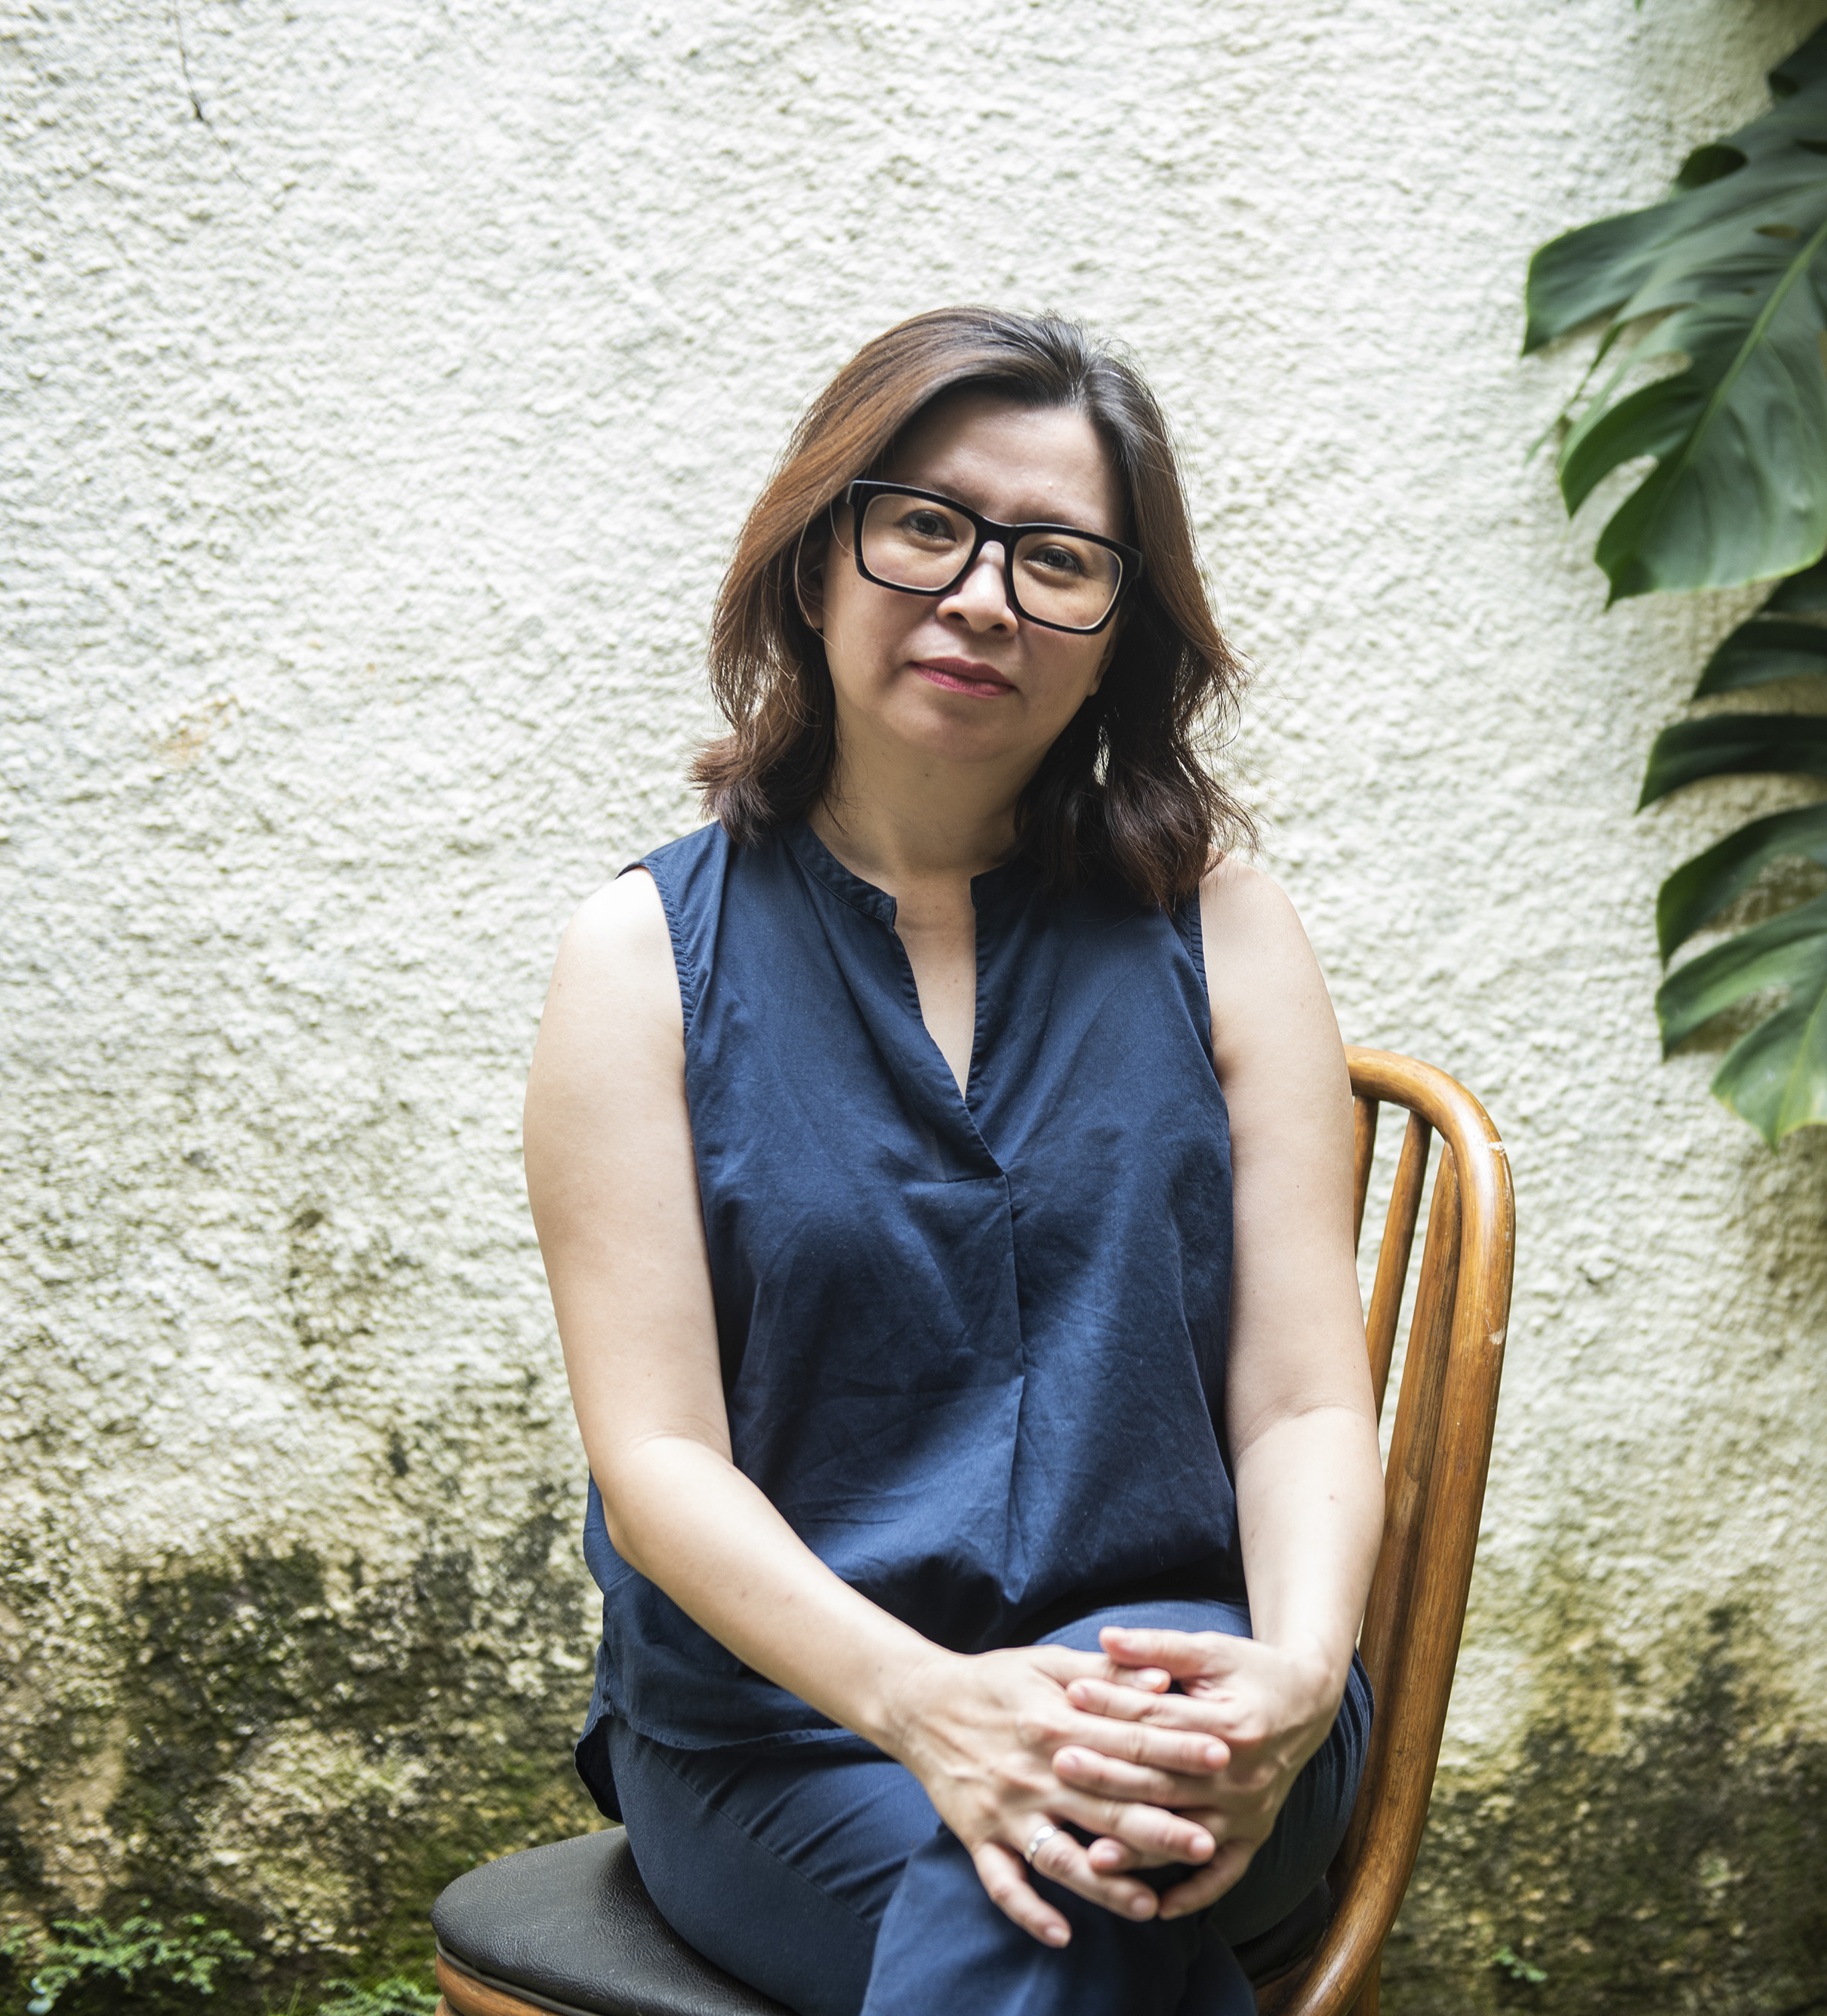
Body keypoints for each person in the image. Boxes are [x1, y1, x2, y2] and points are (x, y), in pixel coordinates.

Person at [522, 307, 1383, 2016]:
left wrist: (1297, 1676)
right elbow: (657, 1458)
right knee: (1061, 1896)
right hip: (791, 1725)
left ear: (1117, 635)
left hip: (1185, 1682)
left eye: (1058, 559)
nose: (985, 595)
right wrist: (927, 1706)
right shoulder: (639, 961)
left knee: (1088, 1824)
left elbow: (1299, 1403)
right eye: (925, 526)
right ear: (813, 563)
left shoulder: (1227, 933)